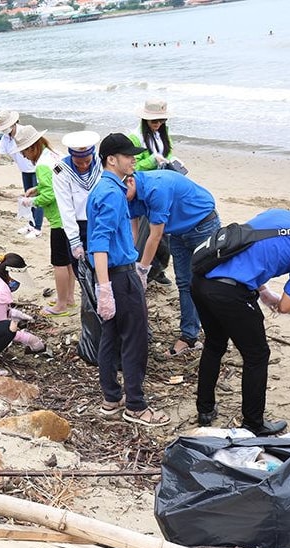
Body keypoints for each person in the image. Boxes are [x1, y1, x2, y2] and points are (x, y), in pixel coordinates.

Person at [192, 209, 290, 436]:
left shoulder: (283, 215)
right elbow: (286, 306)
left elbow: (249, 248)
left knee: (215, 344)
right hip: (228, 293)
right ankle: (253, 423)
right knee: (257, 355)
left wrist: (262, 290)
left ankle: (204, 410)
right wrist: (278, 300)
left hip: (200, 279)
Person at [87, 133, 170, 427]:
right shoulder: (111, 193)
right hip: (119, 276)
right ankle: (135, 405)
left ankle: (111, 398)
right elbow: (98, 242)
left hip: (113, 274)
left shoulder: (106, 189)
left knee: (110, 335)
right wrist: (106, 287)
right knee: (134, 340)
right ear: (112, 159)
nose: (133, 160)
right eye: (128, 156)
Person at [127, 169, 220, 356]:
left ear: (129, 181)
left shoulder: (156, 188)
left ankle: (222, 330)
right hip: (178, 231)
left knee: (212, 281)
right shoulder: (129, 194)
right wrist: (132, 258)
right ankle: (189, 337)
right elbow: (134, 228)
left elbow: (155, 236)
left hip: (203, 225)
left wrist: (143, 270)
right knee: (185, 283)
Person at [13, 125, 76, 317]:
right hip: (71, 214)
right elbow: (55, 182)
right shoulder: (55, 154)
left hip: (59, 219)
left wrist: (30, 200)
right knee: (70, 261)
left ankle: (61, 305)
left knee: (59, 263)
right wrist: (38, 188)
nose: (23, 156)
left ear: (32, 147)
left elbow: (51, 195)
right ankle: (69, 298)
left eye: (24, 151)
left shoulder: (41, 165)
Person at [0, 110, 43, 239]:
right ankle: (30, 224)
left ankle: (38, 228)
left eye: (5, 127)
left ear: (13, 123)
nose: (4, 130)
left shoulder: (25, 132)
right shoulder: (6, 138)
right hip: (24, 171)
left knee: (37, 199)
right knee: (28, 198)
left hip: (36, 169)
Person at [130, 98, 176, 286]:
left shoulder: (163, 133)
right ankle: (144, 270)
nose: (158, 124)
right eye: (154, 121)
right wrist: (152, 161)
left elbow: (169, 151)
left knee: (163, 232)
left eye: (161, 120)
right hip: (145, 190)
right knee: (148, 233)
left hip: (164, 187)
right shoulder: (135, 137)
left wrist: (168, 161)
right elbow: (132, 167)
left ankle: (158, 268)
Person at [53, 130, 102, 261]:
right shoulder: (61, 171)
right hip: (79, 224)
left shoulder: (102, 163)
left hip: (101, 220)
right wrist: (75, 241)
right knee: (83, 271)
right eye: (79, 162)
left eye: (87, 161)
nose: (84, 165)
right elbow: (65, 207)